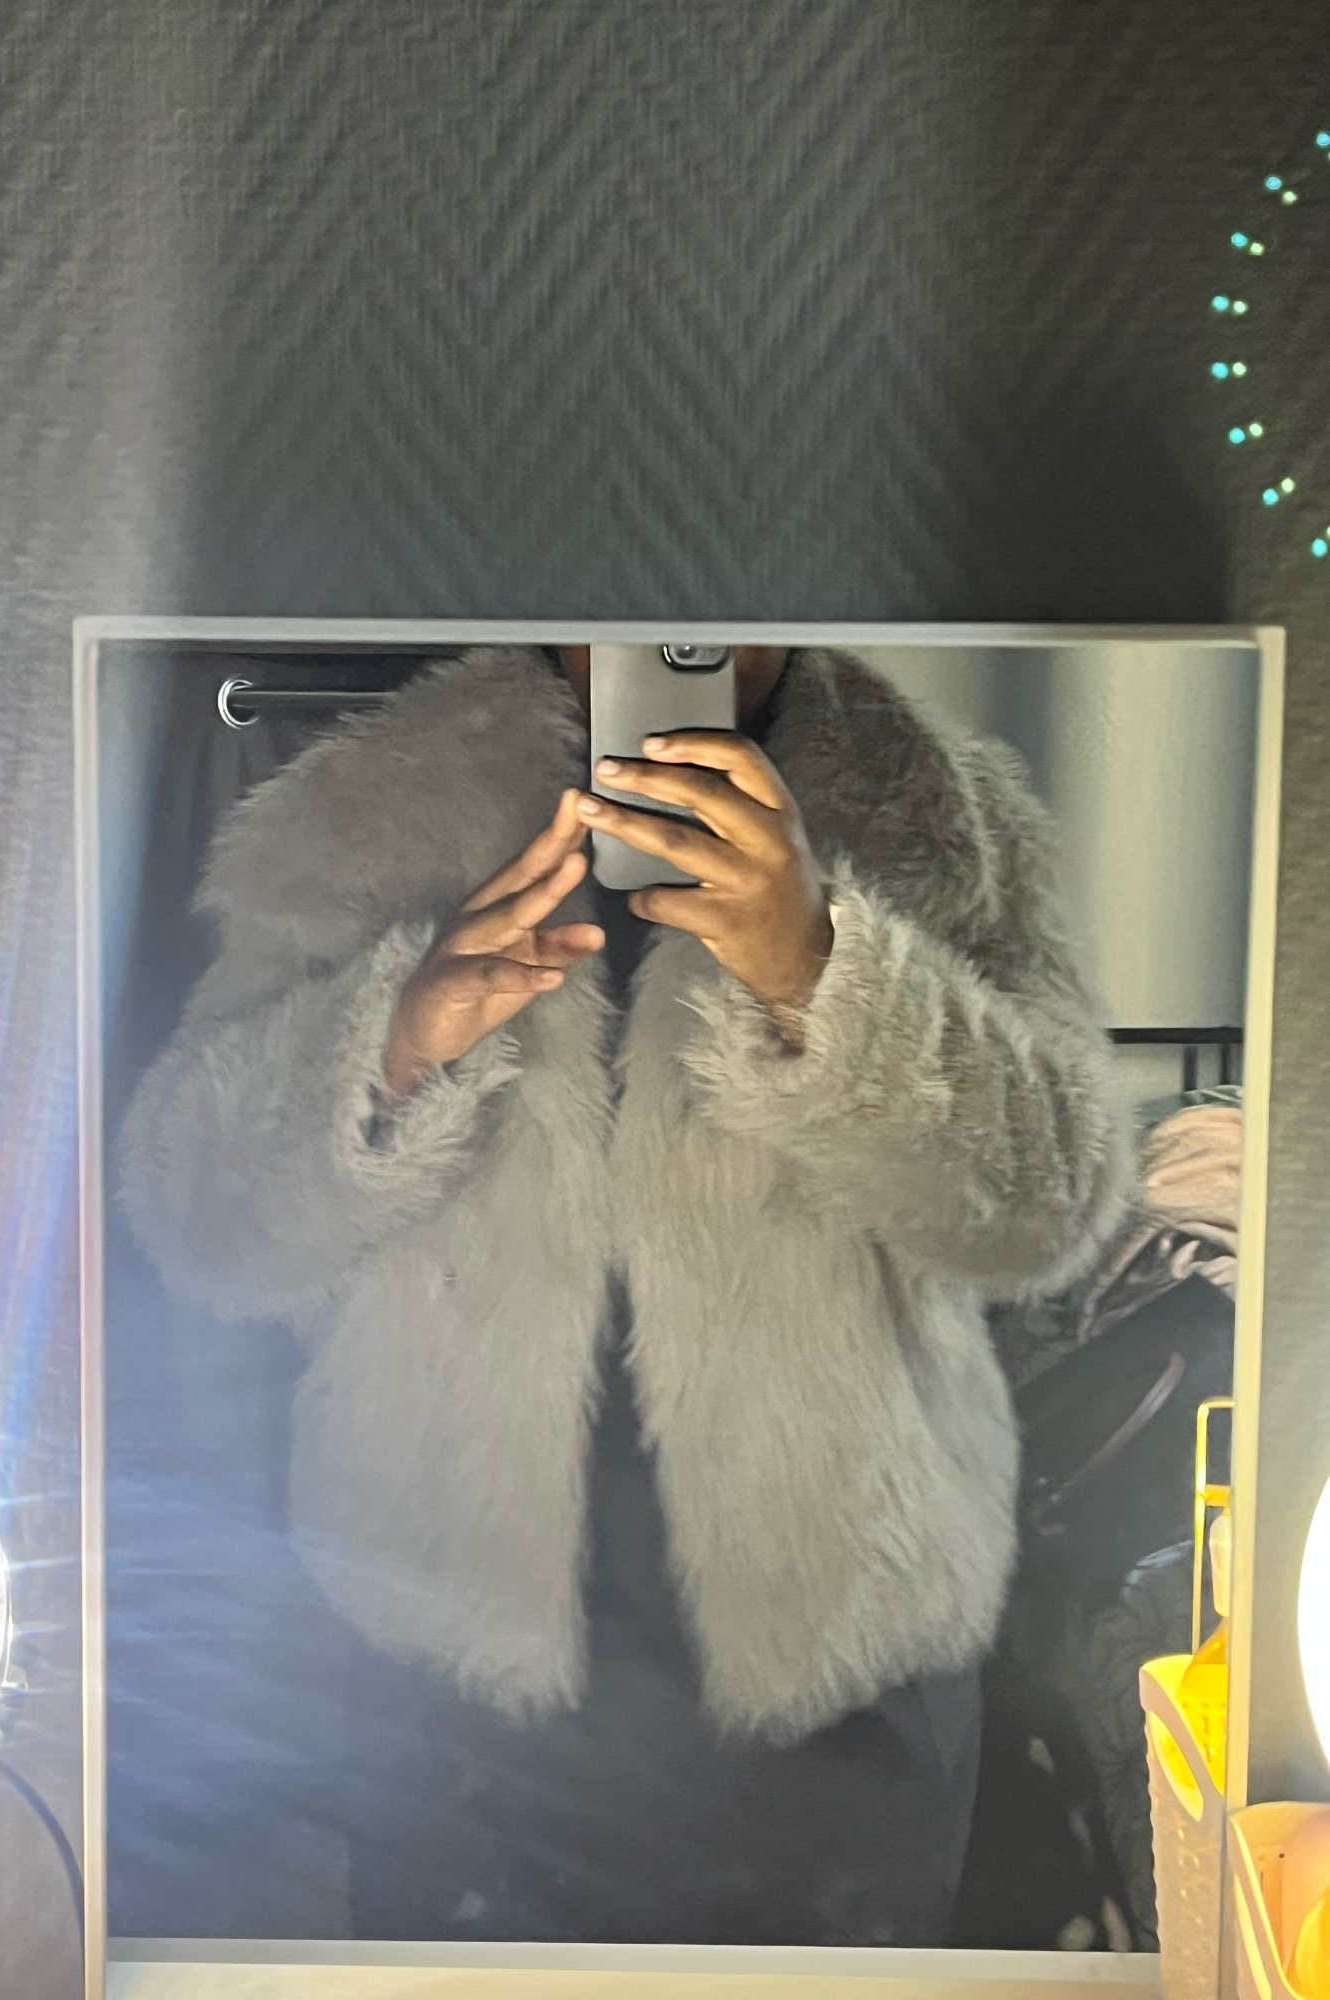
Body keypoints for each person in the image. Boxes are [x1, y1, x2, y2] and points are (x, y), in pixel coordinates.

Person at [119, 642, 1131, 1945]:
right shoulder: (364, 808)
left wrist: (825, 976)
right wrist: (395, 1041)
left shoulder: (947, 817)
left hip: (845, 1664)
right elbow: (195, 1218)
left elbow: (1056, 1207)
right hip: (456, 1667)